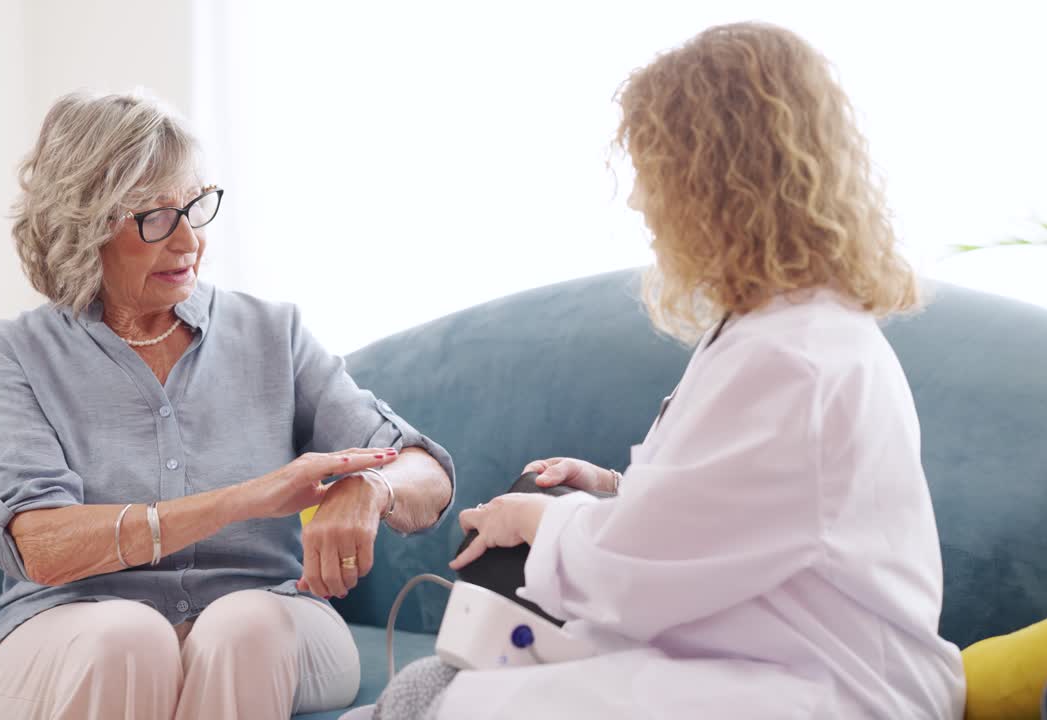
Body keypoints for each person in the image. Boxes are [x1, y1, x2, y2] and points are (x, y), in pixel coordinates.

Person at [361, 22, 965, 720]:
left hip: (829, 688)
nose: (640, 202)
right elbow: (742, 520)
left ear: (715, 180)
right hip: (777, 659)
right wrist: (619, 494)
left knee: (472, 705)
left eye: (653, 174)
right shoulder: (776, 329)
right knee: (457, 688)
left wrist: (537, 520)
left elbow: (639, 575)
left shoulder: (796, 357)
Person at [0, 90, 455, 720]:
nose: (189, 238)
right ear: (84, 227)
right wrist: (247, 498)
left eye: (195, 206)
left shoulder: (273, 333)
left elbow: (426, 474)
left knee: (244, 626)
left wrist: (371, 488)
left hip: (270, 614)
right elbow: (43, 547)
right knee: (129, 637)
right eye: (156, 216)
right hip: (70, 622)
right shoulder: (16, 353)